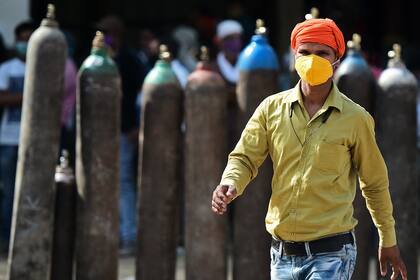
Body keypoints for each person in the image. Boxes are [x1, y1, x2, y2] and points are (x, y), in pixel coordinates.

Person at [212, 18, 407, 280]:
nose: (312, 59)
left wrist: (388, 237)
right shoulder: (271, 109)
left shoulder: (356, 118)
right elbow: (245, 157)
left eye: (322, 53)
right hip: (282, 254)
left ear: (336, 60)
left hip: (332, 252)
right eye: (305, 52)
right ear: (294, 56)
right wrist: (230, 182)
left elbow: (374, 183)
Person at [97, 15, 147, 255]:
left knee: (124, 181)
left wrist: (137, 126)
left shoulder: (130, 60)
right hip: (98, 134)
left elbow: (142, 96)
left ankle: (128, 236)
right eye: (103, 32)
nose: (107, 37)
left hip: (124, 131)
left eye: (110, 32)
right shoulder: (94, 60)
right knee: (101, 181)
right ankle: (106, 235)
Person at [0, 20, 35, 253]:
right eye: (22, 39)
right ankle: (6, 240)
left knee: (31, 193)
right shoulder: (6, 68)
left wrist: (18, 97)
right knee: (9, 192)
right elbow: (2, 99)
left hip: (36, 140)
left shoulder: (44, 66)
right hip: (9, 139)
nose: (25, 44)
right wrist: (32, 95)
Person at [214, 19, 243, 86]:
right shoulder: (213, 68)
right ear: (220, 42)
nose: (236, 43)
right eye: (230, 39)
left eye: (238, 38)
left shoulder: (248, 65)